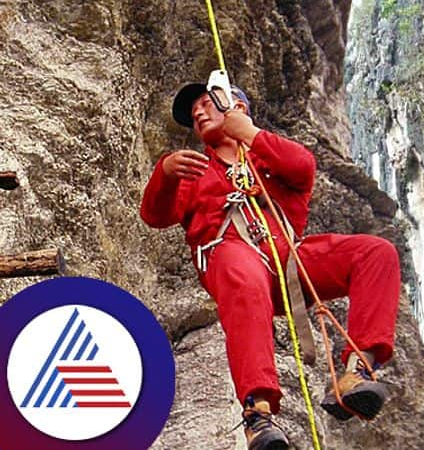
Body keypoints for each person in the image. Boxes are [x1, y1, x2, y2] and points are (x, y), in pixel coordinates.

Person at [140, 83, 400, 450]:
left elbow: (302, 166)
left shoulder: (268, 160)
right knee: (241, 271)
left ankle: (356, 374)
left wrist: (247, 132)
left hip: (289, 262)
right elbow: (154, 214)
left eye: (205, 104)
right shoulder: (194, 171)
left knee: (377, 253)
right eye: (193, 113)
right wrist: (165, 172)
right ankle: (258, 413)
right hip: (230, 257)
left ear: (236, 107)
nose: (197, 114)